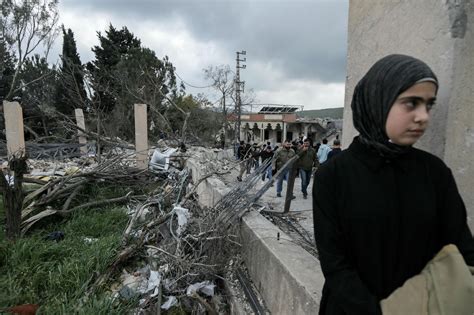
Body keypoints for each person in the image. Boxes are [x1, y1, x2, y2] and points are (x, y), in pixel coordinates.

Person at [313, 54, 474, 315]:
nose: (423, 117)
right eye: (411, 103)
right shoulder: (333, 176)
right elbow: (335, 266)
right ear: (378, 100)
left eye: (428, 105)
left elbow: (461, 250)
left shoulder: (435, 173)